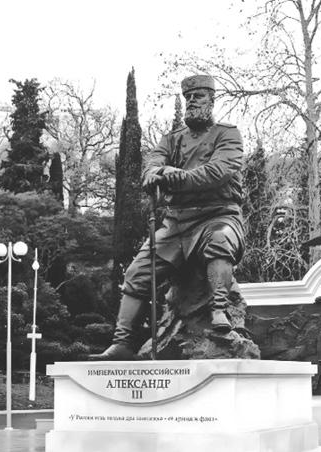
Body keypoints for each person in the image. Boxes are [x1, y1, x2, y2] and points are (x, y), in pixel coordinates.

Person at [90, 74, 245, 361]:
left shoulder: (228, 134)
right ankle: (122, 342)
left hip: (218, 215)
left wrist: (176, 176)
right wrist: (154, 173)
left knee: (220, 241)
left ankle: (220, 312)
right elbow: (152, 163)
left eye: (198, 96)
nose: (192, 102)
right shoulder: (172, 139)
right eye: (188, 98)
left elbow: (218, 172)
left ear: (211, 100)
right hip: (177, 222)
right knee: (137, 272)